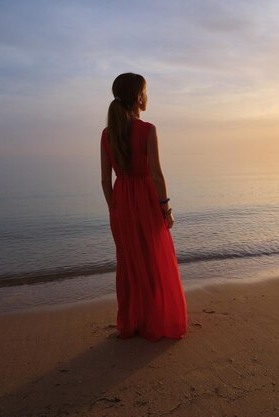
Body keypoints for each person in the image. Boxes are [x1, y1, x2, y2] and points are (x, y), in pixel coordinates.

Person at [100, 73, 187, 341]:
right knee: (153, 261)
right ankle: (156, 321)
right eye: (146, 92)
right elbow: (156, 175)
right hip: (146, 201)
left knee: (128, 264)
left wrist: (114, 208)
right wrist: (166, 209)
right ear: (139, 97)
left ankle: (131, 322)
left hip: (121, 202)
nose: (147, 97)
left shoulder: (107, 134)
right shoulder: (148, 130)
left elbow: (106, 180)